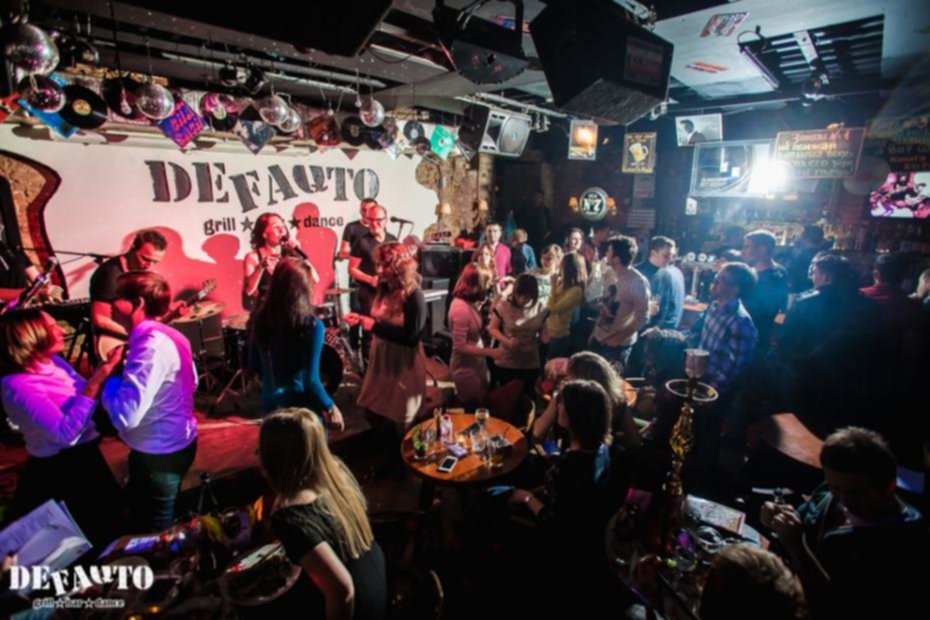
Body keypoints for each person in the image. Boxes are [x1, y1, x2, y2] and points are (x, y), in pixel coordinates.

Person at [760, 427, 927, 620]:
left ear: (889, 486)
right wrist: (780, 519)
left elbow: (837, 606)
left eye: (855, 493)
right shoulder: (830, 493)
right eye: (835, 487)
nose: (844, 500)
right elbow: (803, 520)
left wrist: (797, 547)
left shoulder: (906, 544)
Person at [0, 309, 123, 545]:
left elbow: (80, 393)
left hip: (87, 457)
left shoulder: (53, 361)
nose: (61, 331)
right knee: (84, 539)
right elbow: (64, 434)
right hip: (62, 469)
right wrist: (97, 381)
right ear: (30, 337)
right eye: (51, 327)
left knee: (110, 526)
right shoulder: (18, 385)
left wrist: (106, 370)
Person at [261, 408, 387, 620]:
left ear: (271, 461)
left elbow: (342, 589)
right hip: (376, 580)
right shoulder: (336, 474)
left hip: (358, 606)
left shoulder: (289, 520)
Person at [101, 271, 198, 531]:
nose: (111, 304)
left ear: (138, 303)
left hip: (159, 453)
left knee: (155, 533)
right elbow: (193, 383)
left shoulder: (150, 345)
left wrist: (108, 378)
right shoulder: (170, 334)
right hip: (170, 445)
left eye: (117, 297)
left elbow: (126, 415)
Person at [509, 380, 613, 611]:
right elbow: (569, 495)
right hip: (586, 531)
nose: (559, 406)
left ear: (577, 415)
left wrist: (527, 498)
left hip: (561, 546)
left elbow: (552, 522)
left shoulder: (568, 467)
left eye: (563, 403)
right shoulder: (602, 449)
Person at [249, 258, 344, 430]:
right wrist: (330, 406)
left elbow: (253, 364)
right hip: (302, 409)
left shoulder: (260, 320)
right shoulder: (312, 326)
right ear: (303, 288)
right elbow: (312, 380)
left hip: (270, 405)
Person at [347, 242, 426, 431]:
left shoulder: (413, 294)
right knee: (373, 412)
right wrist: (362, 320)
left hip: (402, 363)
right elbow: (382, 320)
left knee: (400, 419)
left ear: (400, 267)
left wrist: (374, 326)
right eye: (378, 265)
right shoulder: (384, 288)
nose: (379, 270)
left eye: (385, 266)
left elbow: (412, 337)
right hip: (381, 360)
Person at [533, 351, 640, 452]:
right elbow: (634, 441)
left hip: (570, 457)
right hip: (604, 457)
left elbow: (537, 433)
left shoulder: (564, 400)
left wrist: (551, 451)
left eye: (570, 376)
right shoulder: (618, 399)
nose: (566, 380)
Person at [90, 229, 167, 359]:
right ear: (133, 248)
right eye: (145, 259)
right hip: (114, 342)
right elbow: (100, 318)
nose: (149, 265)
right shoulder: (110, 274)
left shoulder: (138, 273)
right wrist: (134, 334)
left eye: (155, 262)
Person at [590, 236, 650, 371]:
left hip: (617, 345)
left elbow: (642, 317)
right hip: (599, 337)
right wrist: (594, 333)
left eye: (609, 251)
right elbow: (604, 303)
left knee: (610, 380)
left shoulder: (637, 282)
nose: (606, 254)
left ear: (616, 258)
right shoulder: (609, 272)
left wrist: (617, 339)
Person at [448, 263, 502, 407]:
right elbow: (460, 346)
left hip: (475, 363)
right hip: (465, 368)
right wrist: (490, 352)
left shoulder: (467, 302)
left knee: (481, 403)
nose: (487, 287)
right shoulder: (461, 309)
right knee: (472, 408)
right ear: (475, 284)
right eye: (485, 283)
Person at [243, 213, 319, 312]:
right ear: (264, 234)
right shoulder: (253, 257)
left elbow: (315, 279)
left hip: (292, 310)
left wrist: (299, 254)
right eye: (276, 227)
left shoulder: (291, 253)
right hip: (268, 313)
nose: (281, 230)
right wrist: (261, 266)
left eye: (283, 226)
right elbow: (249, 290)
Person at [348, 204, 396, 357]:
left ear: (385, 220)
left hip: (388, 293)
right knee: (370, 334)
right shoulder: (361, 242)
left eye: (378, 220)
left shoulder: (392, 240)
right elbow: (352, 269)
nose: (374, 224)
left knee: (388, 330)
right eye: (371, 220)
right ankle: (368, 368)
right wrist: (370, 279)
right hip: (369, 294)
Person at [488, 274, 547, 396]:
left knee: (528, 397)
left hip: (530, 361)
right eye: (519, 295)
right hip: (506, 361)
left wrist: (546, 336)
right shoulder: (504, 305)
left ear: (534, 295)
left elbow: (544, 333)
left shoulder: (541, 308)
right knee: (506, 398)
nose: (521, 300)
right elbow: (492, 328)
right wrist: (507, 341)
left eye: (527, 297)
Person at [741, 230, 789, 357]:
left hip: (755, 339)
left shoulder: (774, 277)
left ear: (762, 249)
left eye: (747, 247)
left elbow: (764, 309)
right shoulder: (775, 271)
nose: (742, 252)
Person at [546, 252, 586, 360]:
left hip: (559, 336)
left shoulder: (576, 290)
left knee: (552, 366)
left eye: (562, 265)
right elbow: (548, 303)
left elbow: (554, 309)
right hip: (549, 332)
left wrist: (552, 286)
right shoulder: (560, 283)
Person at [786, 225, 824, 295]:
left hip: (800, 292)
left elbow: (792, 276)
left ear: (805, 237)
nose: (799, 237)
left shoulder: (801, 256)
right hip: (817, 293)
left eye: (801, 235)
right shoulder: (824, 255)